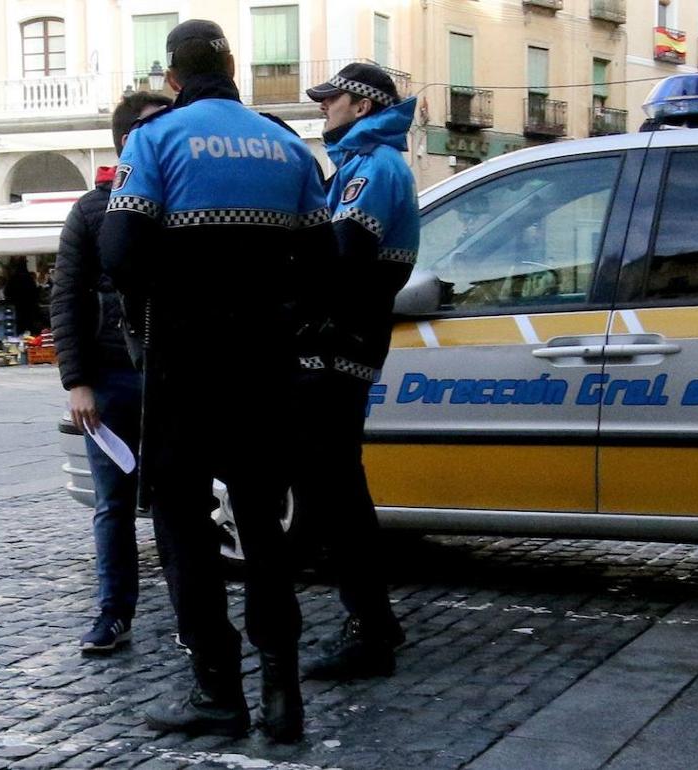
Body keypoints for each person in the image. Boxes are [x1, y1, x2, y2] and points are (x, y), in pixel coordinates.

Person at [99, 19, 336, 744]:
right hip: (265, 364)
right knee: (263, 522)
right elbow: (325, 261)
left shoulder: (157, 138)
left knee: (183, 525)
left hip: (187, 361)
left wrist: (168, 301)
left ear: (172, 78)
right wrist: (282, 315)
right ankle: (283, 692)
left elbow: (118, 250)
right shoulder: (285, 143)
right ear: (232, 64)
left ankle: (216, 689)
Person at [297, 63, 420, 680]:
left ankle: (368, 630)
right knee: (334, 488)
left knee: (337, 493)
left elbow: (342, 254)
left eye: (332, 98)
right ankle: (375, 618)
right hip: (341, 342)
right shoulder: (362, 163)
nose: (324, 108)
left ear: (364, 105)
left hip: (338, 346)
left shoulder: (373, 168)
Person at [51, 90, 172, 655]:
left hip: (172, 376)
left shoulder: (179, 202)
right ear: (129, 139)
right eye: (157, 127)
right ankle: (113, 612)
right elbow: (67, 300)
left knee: (179, 504)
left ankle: (190, 616)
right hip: (111, 379)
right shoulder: (91, 210)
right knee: (114, 505)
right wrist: (77, 381)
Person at [5, 257, 42, 336]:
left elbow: (7, 292)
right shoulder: (29, 278)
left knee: (20, 327)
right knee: (30, 326)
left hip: (18, 306)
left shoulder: (13, 278)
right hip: (30, 306)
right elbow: (35, 292)